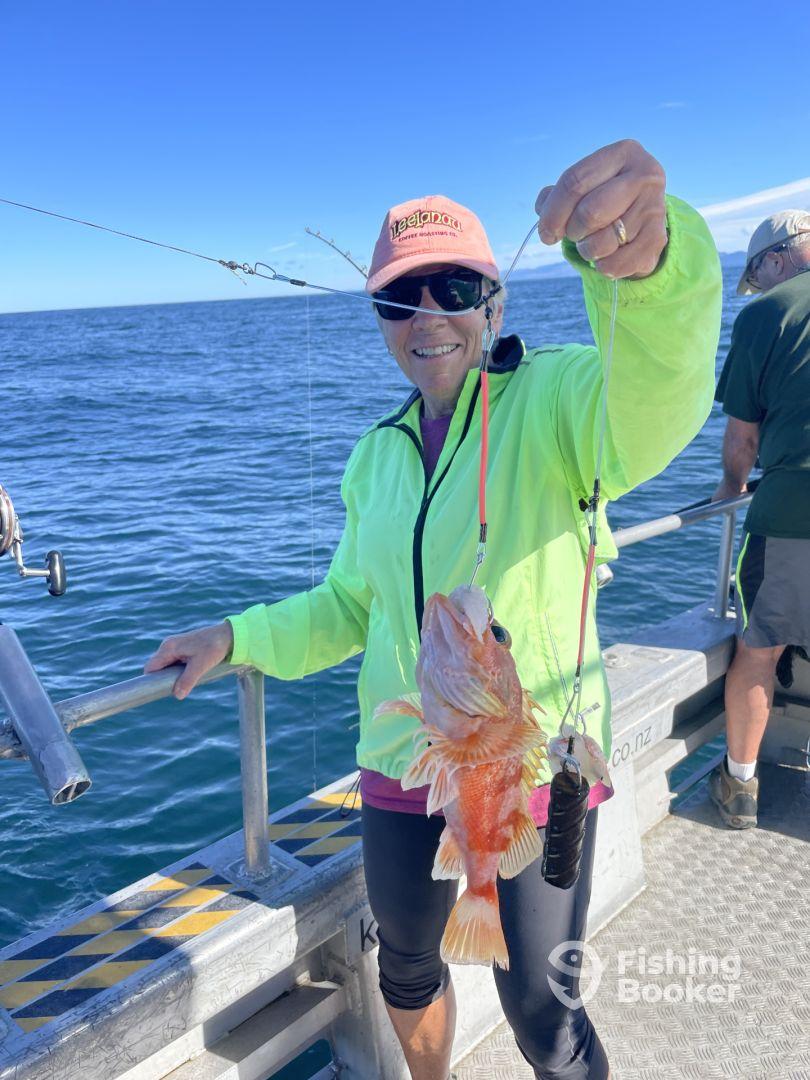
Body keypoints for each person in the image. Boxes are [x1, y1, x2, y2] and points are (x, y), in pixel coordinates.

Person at [145, 139, 721, 1079]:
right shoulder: (376, 456)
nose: (428, 315)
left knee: (542, 1004)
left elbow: (660, 398)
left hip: (522, 764)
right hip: (401, 764)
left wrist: (651, 270)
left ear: (495, 300)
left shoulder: (558, 402)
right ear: (380, 317)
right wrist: (236, 636)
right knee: (407, 966)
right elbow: (347, 606)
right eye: (398, 297)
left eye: (454, 288)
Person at [709, 210, 810, 830]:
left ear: (777, 257)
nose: (759, 286)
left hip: (792, 510)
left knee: (758, 650)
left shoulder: (766, 316)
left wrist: (730, 492)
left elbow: (742, 442)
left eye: (757, 274)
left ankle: (740, 788)